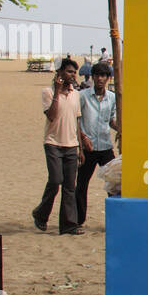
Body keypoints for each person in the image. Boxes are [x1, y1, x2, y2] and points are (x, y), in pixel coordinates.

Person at [33, 58, 84, 235]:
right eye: (69, 72)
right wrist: (56, 92)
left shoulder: (76, 95)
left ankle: (69, 225)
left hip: (71, 145)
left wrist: (80, 148)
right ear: (60, 73)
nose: (73, 75)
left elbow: (77, 121)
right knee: (55, 181)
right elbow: (52, 116)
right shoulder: (47, 92)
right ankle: (41, 214)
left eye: (74, 72)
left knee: (70, 186)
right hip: (53, 143)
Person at [76, 62, 118, 228]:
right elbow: (76, 119)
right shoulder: (83, 96)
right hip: (89, 147)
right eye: (97, 75)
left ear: (108, 78)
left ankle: (115, 221)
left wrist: (121, 129)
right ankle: (78, 220)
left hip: (105, 146)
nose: (100, 79)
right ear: (92, 77)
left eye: (103, 76)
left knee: (113, 182)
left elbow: (112, 120)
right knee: (82, 183)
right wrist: (83, 137)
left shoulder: (112, 97)